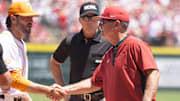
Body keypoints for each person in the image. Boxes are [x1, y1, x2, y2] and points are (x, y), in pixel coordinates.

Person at [53, 5, 160, 101]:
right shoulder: (109, 54)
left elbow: (153, 73)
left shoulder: (135, 45)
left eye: (103, 22)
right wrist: (65, 90)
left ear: (116, 25)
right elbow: (93, 83)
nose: (100, 25)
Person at [0, 1, 65, 101]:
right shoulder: (5, 41)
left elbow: (17, 86)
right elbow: (13, 80)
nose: (31, 21)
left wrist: (25, 96)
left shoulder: (20, 42)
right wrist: (47, 90)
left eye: (31, 17)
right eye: (26, 17)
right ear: (13, 19)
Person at [50, 2, 112, 101]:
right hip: (75, 98)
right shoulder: (71, 41)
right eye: (86, 18)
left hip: (100, 98)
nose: (90, 21)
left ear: (99, 20)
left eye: (93, 17)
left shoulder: (108, 42)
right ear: (80, 20)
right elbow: (54, 62)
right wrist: (63, 90)